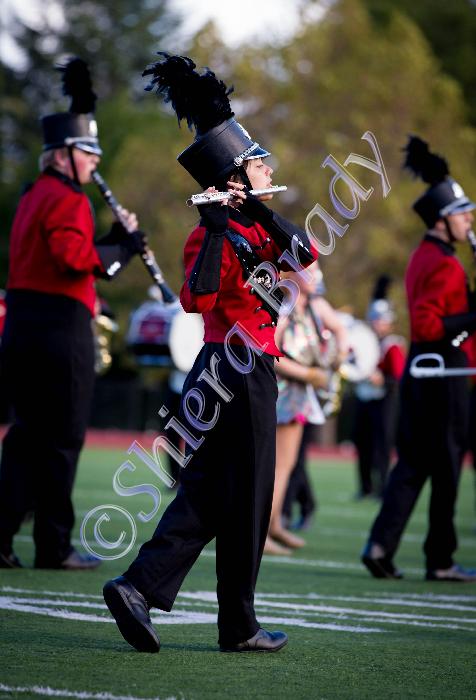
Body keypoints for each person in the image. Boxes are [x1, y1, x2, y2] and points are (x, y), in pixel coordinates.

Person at [103, 53, 316, 653]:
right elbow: (196, 300)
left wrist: (258, 209)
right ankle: (238, 625)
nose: (270, 169)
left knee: (207, 494)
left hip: (231, 372)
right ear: (235, 176)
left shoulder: (259, 227)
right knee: (246, 498)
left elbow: (306, 255)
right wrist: (221, 229)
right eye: (259, 164)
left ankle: (139, 588)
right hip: (234, 368)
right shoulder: (209, 234)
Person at [0, 58, 146, 570]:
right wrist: (123, 250)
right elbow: (72, 260)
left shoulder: (35, 195)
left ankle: (3, 538)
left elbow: (65, 256)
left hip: (25, 324)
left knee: (26, 437)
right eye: (88, 150)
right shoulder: (68, 198)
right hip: (58, 328)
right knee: (61, 439)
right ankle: (53, 545)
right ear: (63, 154)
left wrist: (114, 243)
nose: (95, 159)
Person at [362, 136, 476, 582]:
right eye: (463, 214)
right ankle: (440, 559)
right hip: (443, 375)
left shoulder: (424, 255)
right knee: (446, 468)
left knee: (412, 465)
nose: (469, 220)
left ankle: (380, 546)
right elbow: (429, 326)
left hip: (422, 373)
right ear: (444, 219)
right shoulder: (445, 263)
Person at [267, 264, 348, 553]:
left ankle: (274, 525)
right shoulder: (283, 307)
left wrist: (339, 354)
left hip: (300, 393)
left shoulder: (315, 304)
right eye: (308, 269)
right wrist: (309, 374)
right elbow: (270, 353)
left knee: (287, 465)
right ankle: (262, 532)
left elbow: (340, 328)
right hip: (282, 392)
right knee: (278, 467)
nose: (317, 276)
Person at [353, 276, 405, 498]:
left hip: (384, 399)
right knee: (362, 442)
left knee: (383, 443)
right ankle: (365, 487)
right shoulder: (363, 342)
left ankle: (382, 486)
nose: (377, 324)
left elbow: (398, 377)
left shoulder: (393, 344)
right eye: (374, 319)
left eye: (381, 320)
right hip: (364, 397)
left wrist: (382, 380)